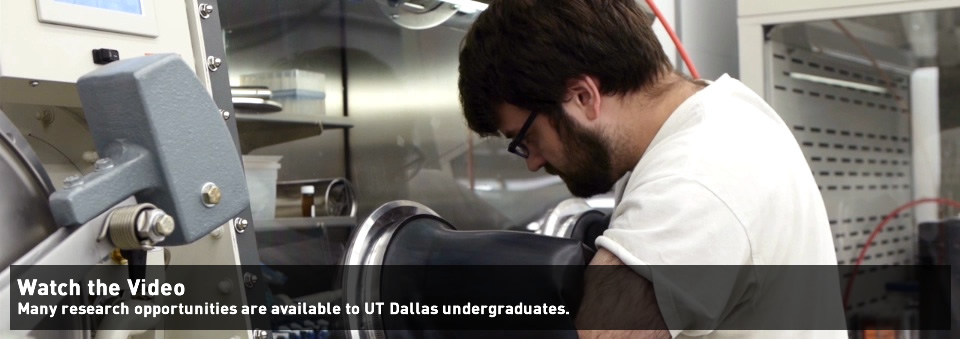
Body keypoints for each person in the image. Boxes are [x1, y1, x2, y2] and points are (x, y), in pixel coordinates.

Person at [457, 0, 846, 338]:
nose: (533, 162)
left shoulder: (692, 182)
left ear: (583, 96)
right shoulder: (722, 114)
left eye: (527, 138)